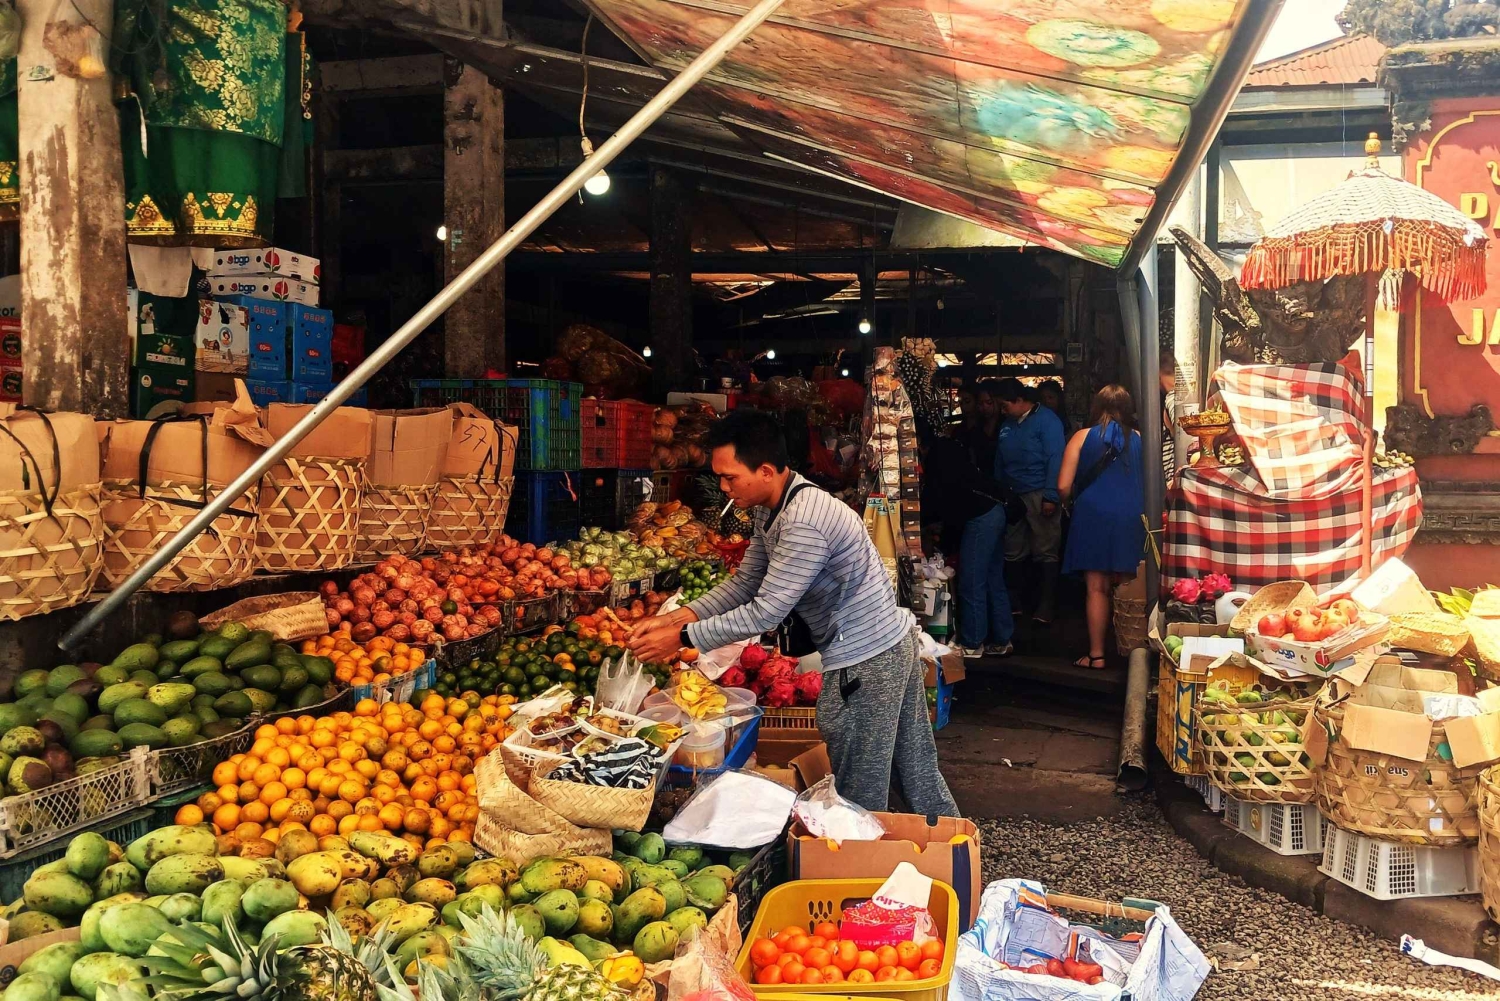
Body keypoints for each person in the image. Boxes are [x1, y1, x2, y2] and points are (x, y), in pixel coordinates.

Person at [627, 409, 959, 817]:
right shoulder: (778, 504)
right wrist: (679, 618)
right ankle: (952, 848)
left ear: (765, 470)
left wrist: (681, 639)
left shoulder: (803, 521)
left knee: (861, 785)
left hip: (867, 661)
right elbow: (747, 582)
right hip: (887, 645)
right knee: (913, 767)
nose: (723, 486)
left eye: (730, 477)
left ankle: (862, 864)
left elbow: (766, 611)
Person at [1058, 385, 1146, 669]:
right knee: (1128, 584)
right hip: (1131, 515)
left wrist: (1069, 502)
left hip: (1092, 514)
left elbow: (1062, 485)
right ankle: (1133, 652)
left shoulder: (1081, 437)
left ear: (1096, 406)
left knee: (1096, 587)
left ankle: (1097, 656)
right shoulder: (1141, 440)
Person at [916, 417, 1014, 659]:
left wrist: (922, 524)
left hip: (981, 517)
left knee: (972, 578)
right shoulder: (948, 448)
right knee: (991, 577)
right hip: (993, 510)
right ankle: (1002, 639)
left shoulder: (937, 458)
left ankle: (972, 642)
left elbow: (938, 499)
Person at [995, 378, 1066, 625]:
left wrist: (1051, 495)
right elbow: (999, 461)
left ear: (1020, 400)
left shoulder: (1048, 422)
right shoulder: (1007, 424)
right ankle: (1016, 602)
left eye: (1005, 406)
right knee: (1013, 549)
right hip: (1013, 495)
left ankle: (1046, 605)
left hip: (1039, 493)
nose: (1002, 411)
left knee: (1045, 550)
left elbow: (1056, 459)